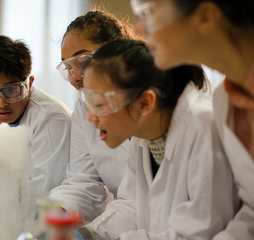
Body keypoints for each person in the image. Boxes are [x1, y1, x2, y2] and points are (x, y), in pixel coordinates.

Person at [77, 39, 238, 239]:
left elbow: (199, 232)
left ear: (145, 103)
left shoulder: (203, 127)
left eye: (99, 105)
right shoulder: (144, 135)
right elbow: (132, 204)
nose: (91, 117)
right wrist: (90, 234)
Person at [130, 1, 254, 239]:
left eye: (148, 13)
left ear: (205, 17)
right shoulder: (224, 100)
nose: (138, 30)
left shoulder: (205, 113)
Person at [49, 10, 140, 221]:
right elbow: (83, 180)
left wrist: (91, 234)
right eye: (68, 67)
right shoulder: (84, 108)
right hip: (125, 222)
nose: (74, 77)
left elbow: (146, 201)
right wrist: (55, 213)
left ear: (117, 49)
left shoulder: (156, 104)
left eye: (81, 62)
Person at [0, 36, 71, 196]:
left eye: (10, 90)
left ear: (29, 84)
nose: (1, 103)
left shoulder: (51, 119)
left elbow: (45, 193)